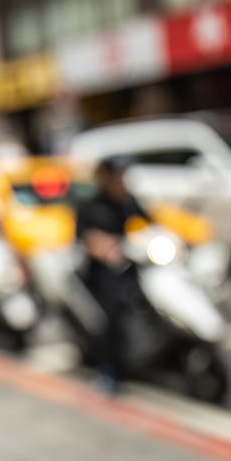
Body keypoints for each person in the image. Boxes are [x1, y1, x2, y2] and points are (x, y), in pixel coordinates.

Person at [75, 155, 150, 394]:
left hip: (134, 266)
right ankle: (109, 370)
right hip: (104, 274)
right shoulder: (90, 206)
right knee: (112, 315)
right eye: (116, 176)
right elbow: (86, 239)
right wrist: (105, 248)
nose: (121, 181)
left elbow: (150, 224)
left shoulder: (129, 202)